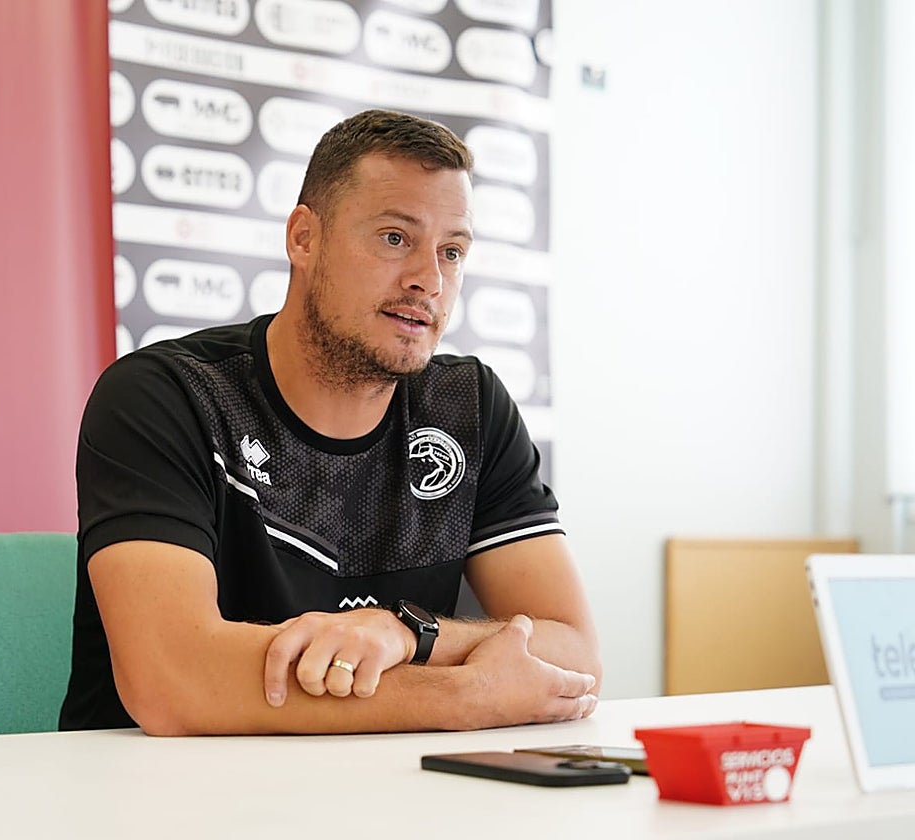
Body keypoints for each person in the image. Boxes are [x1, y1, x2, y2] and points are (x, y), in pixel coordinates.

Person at [59, 109, 601, 736]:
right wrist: (465, 695)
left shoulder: (470, 405)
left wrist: (407, 635)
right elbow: (174, 682)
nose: (429, 279)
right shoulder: (164, 396)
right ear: (303, 239)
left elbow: (574, 655)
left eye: (451, 252)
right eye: (395, 238)